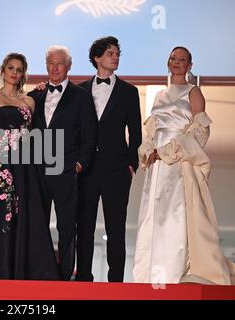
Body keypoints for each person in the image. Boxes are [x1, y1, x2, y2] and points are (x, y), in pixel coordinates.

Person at [133, 47, 235, 285]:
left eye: (182, 60)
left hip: (177, 162)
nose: (176, 63)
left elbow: (200, 130)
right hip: (157, 165)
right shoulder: (159, 95)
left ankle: (170, 276)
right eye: (173, 59)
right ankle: (147, 279)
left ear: (190, 65)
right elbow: (151, 130)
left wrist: (170, 150)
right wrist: (148, 149)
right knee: (152, 215)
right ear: (167, 63)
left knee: (174, 215)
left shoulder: (194, 92)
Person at [0, 53, 60, 280]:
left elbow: (31, 133)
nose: (14, 73)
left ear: (23, 74)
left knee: (25, 213)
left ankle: (23, 268)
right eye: (11, 68)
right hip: (0, 163)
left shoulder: (29, 101)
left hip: (25, 164)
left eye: (19, 69)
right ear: (3, 70)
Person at [76, 36, 142, 282]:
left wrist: (131, 164)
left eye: (117, 54)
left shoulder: (129, 91)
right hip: (86, 169)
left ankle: (116, 283)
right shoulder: (79, 90)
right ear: (97, 57)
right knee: (83, 227)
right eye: (110, 53)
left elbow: (135, 132)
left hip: (117, 170)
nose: (115, 57)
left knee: (117, 229)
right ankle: (83, 279)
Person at [28, 46, 96, 281]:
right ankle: (40, 272)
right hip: (37, 168)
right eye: (50, 63)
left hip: (66, 168)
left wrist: (79, 164)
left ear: (69, 66)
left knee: (67, 225)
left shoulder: (81, 96)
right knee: (38, 223)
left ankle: (65, 274)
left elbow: (89, 135)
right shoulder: (34, 95)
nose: (55, 67)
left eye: (59, 63)